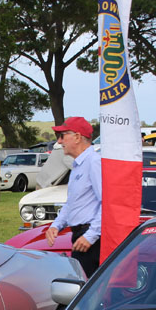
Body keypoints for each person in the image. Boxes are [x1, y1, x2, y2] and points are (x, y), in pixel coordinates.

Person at [44, 116, 102, 276]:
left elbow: (107, 203)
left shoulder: (94, 162)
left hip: (91, 241)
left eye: (62, 136)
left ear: (77, 137)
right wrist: (56, 225)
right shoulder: (77, 166)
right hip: (80, 237)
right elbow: (71, 203)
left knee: (88, 287)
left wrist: (91, 236)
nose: (59, 142)